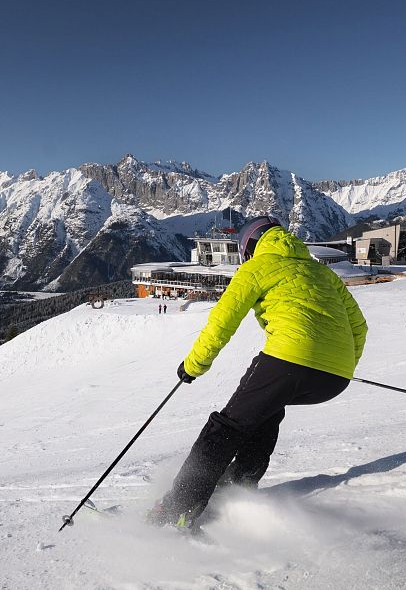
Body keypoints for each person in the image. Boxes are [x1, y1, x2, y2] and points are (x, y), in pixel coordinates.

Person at [148, 216, 368, 531]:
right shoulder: (322, 272)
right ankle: (239, 486)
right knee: (266, 410)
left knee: (226, 427)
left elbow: (222, 321)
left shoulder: (256, 268)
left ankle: (177, 509)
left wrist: (194, 365)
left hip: (289, 359)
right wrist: (341, 364)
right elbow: (359, 326)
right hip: (334, 379)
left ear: (250, 247)